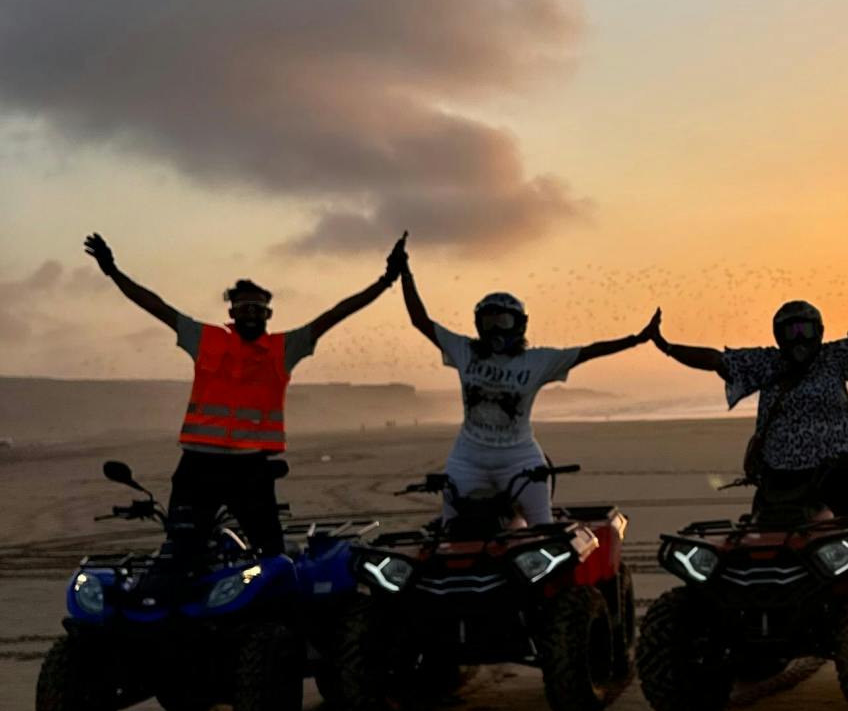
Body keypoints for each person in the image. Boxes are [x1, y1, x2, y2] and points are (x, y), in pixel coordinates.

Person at [84, 229, 407, 561]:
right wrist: (113, 272)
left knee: (271, 554)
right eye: (244, 308)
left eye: (258, 309)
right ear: (232, 313)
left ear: (268, 314)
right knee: (182, 552)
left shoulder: (283, 349)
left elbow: (335, 314)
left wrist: (385, 282)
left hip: (249, 468)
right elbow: (156, 306)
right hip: (198, 465)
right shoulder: (206, 339)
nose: (251, 314)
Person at [399, 264, 660, 524]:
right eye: (488, 322)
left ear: (519, 326)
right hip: (467, 459)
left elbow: (589, 351)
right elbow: (420, 321)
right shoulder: (464, 350)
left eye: (503, 322)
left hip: (519, 459)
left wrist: (636, 339)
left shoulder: (537, 361)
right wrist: (405, 273)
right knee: (452, 530)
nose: (496, 330)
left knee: (542, 530)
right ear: (478, 325)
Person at [652, 291, 848, 518]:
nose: (799, 338)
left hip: (836, 474)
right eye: (791, 332)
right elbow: (716, 360)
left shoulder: (835, 356)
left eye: (805, 330)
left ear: (819, 331)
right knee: (766, 539)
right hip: (780, 478)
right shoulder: (764, 363)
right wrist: (666, 347)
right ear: (779, 335)